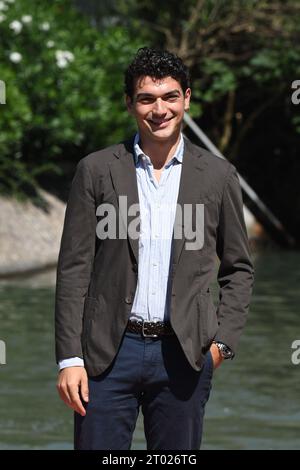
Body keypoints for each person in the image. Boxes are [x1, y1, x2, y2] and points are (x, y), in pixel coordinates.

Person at [55, 47, 254, 450]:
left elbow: (238, 269)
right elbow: (74, 269)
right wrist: (70, 359)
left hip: (185, 355)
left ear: (186, 99)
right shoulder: (96, 170)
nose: (159, 109)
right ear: (130, 103)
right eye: (147, 98)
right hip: (106, 356)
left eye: (169, 97)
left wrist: (222, 345)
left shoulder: (218, 176)